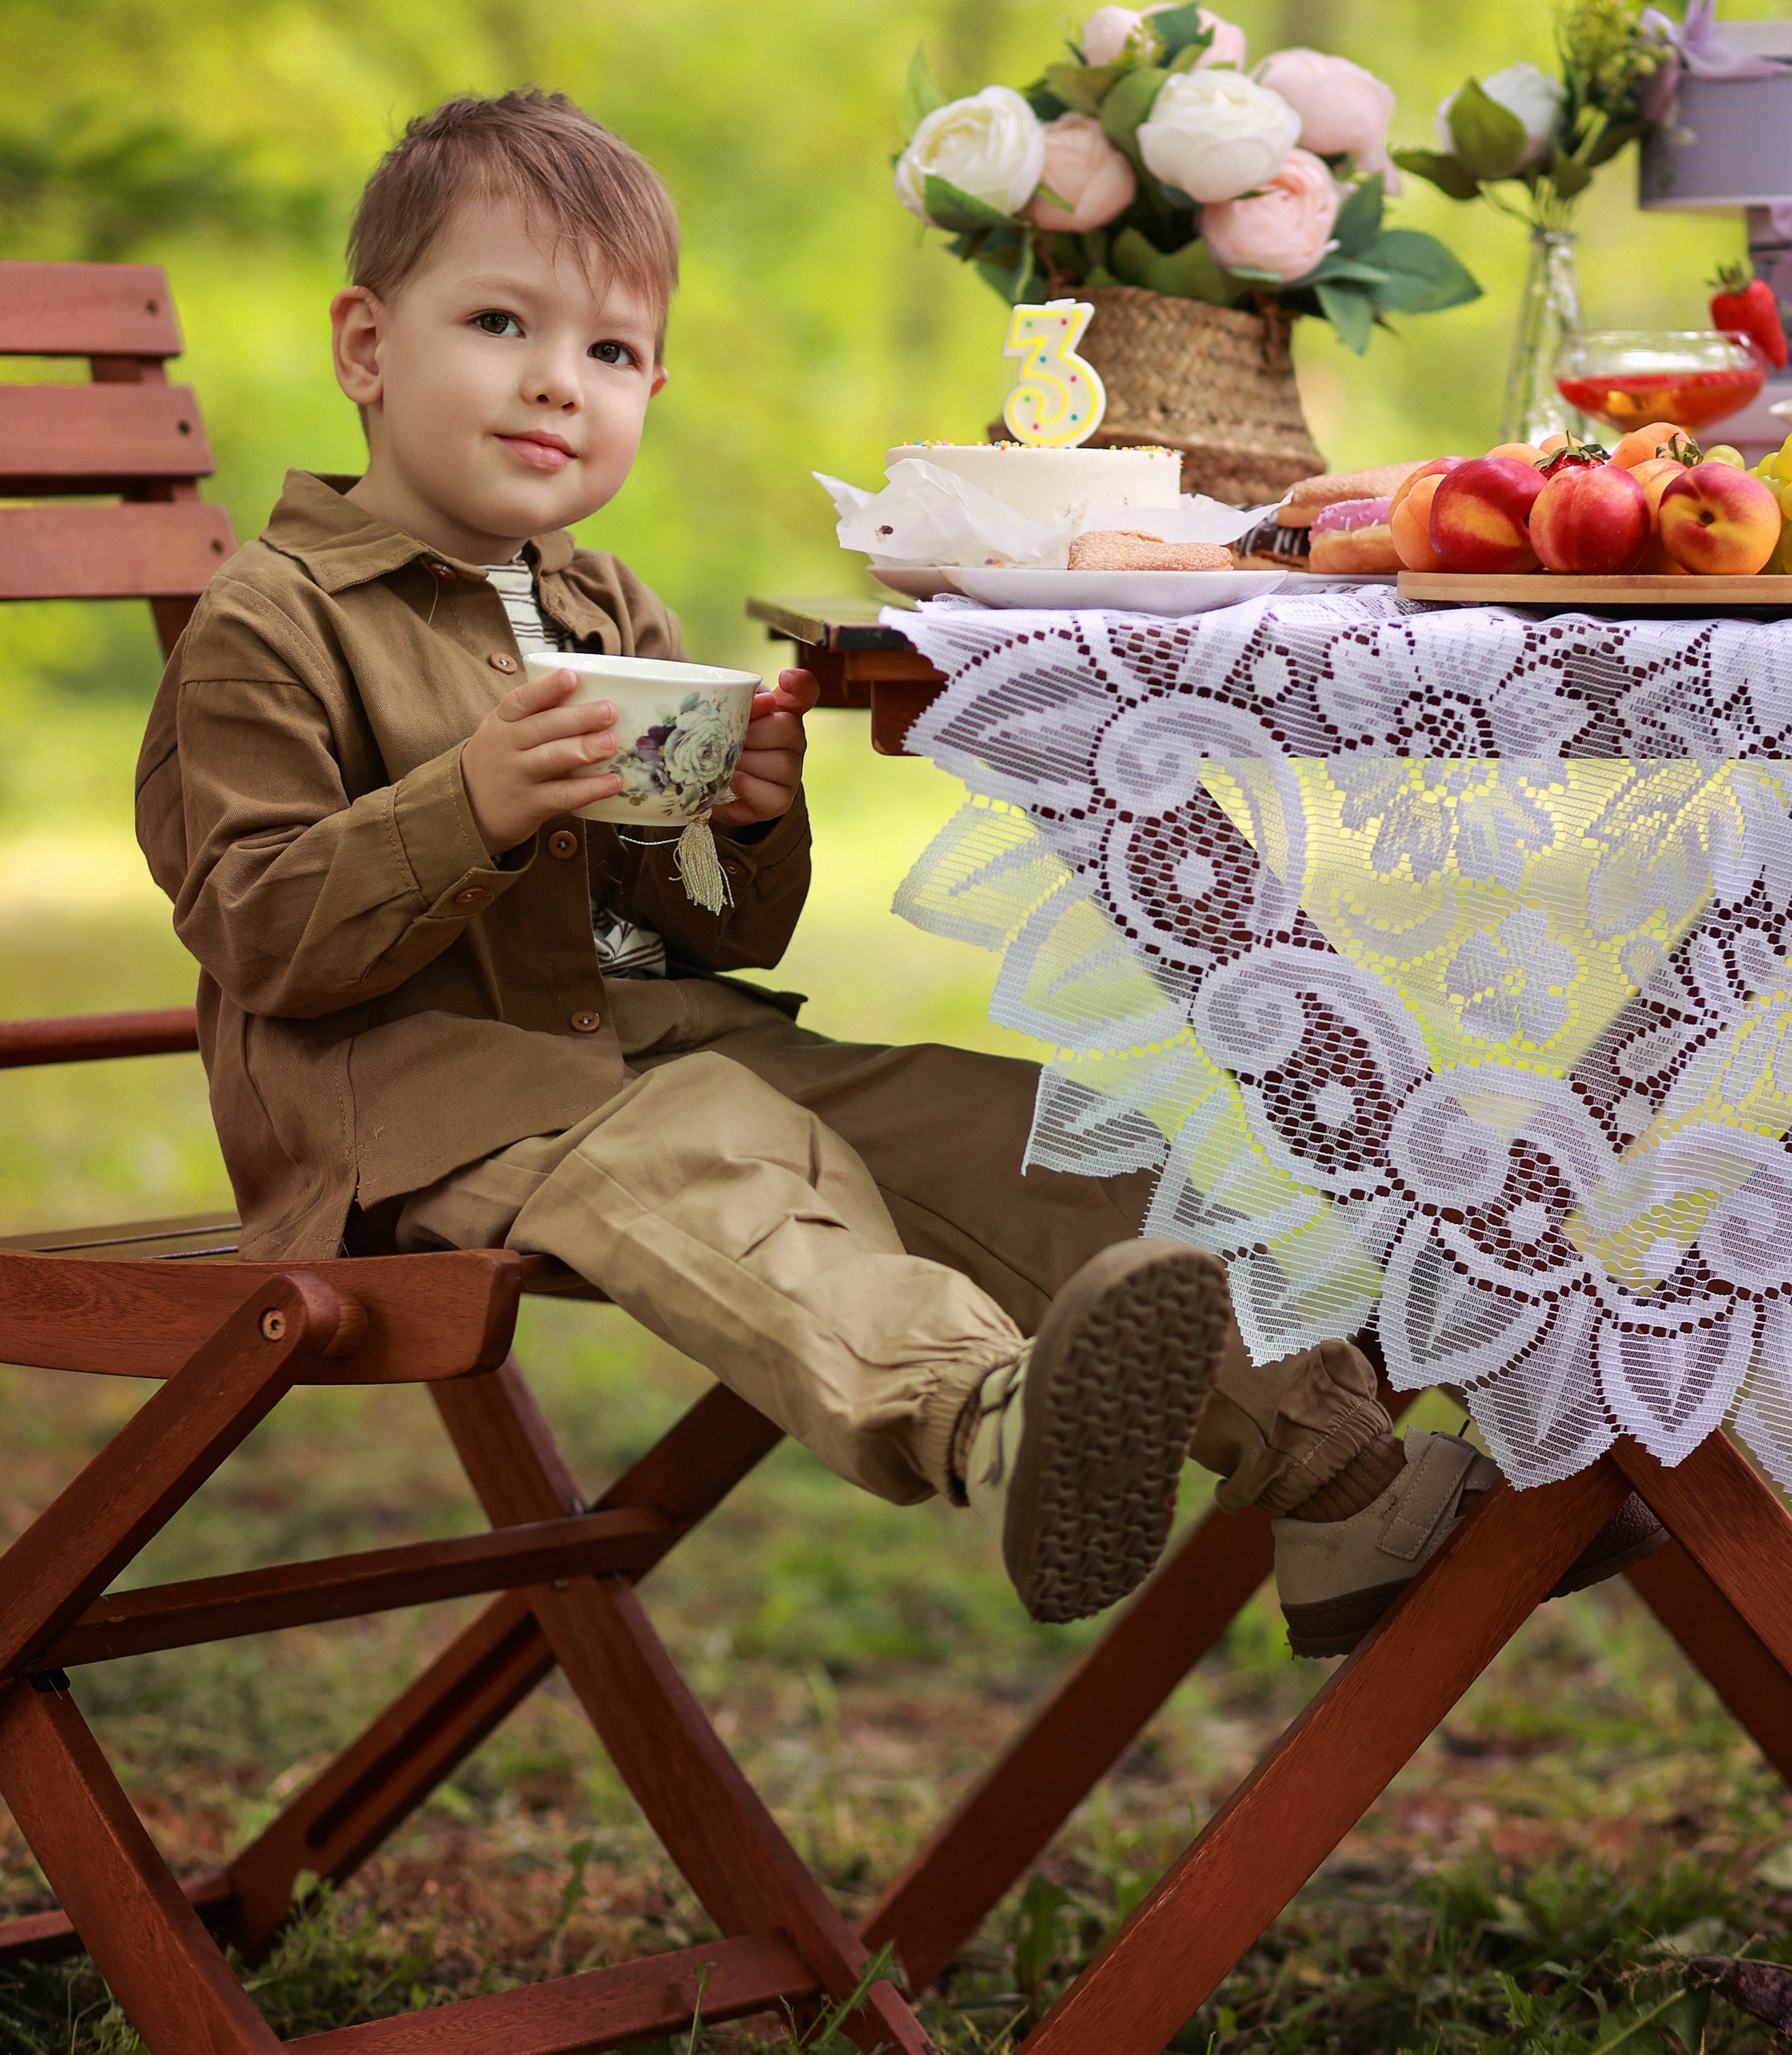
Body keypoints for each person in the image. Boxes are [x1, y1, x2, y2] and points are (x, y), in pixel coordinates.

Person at [136, 89, 1661, 1653]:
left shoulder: (605, 608)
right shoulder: (273, 620)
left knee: (1026, 1142)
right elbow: (259, 934)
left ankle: (1346, 1485)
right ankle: (992, 1420)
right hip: (424, 1112)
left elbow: (717, 937)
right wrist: (471, 802)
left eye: (610, 351)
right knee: (723, 1161)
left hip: (661, 1043)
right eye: (497, 324)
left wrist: (741, 822)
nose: (555, 381)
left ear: (652, 386)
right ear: (367, 346)